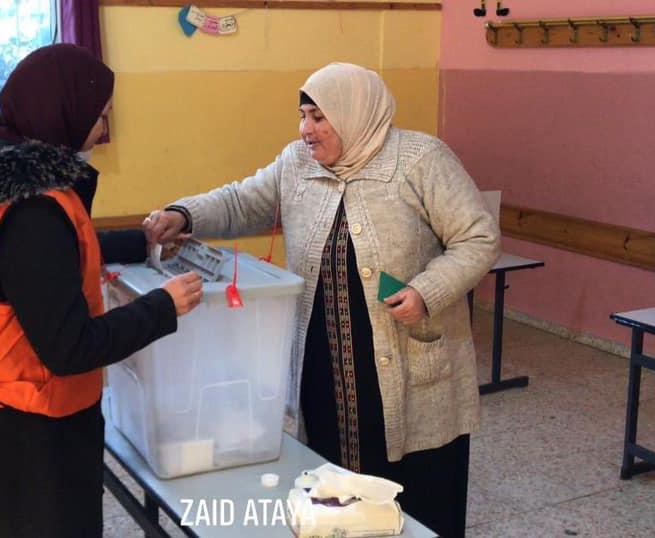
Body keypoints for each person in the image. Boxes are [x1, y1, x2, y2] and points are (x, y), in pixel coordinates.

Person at [144, 63, 500, 537]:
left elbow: (478, 238)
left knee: (415, 490)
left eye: (318, 117)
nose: (305, 130)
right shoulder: (297, 163)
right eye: (302, 116)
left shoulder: (421, 159)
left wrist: (427, 291)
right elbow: (241, 202)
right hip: (323, 364)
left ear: (355, 113)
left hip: (404, 359)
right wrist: (184, 214)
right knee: (332, 488)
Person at [0, 44, 203, 538]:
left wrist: (140, 242)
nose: (104, 130)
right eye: (100, 115)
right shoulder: (34, 211)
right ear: (64, 111)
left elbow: (36, 266)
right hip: (27, 440)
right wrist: (164, 306)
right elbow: (70, 348)